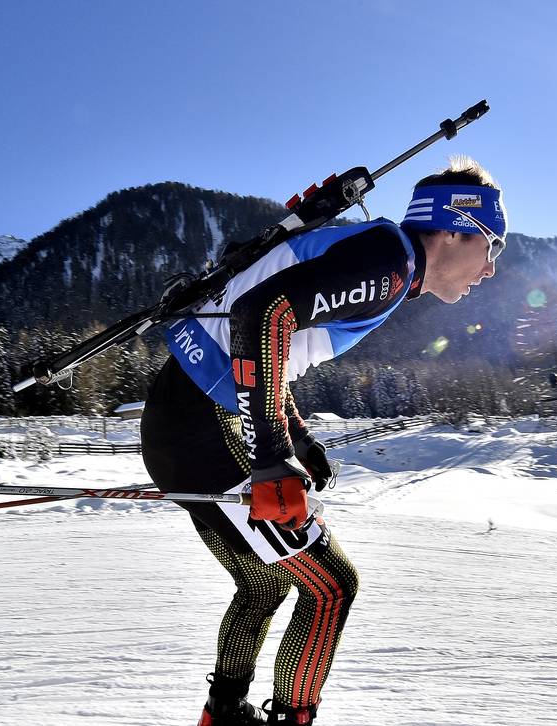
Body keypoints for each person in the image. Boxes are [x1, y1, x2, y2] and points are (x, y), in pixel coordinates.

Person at [141, 156, 507, 726]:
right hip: (206, 428)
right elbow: (261, 315)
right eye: (493, 246)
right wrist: (271, 456)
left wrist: (299, 437)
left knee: (264, 583)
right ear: (456, 229)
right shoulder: (388, 265)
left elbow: (269, 347)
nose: (489, 269)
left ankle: (225, 714)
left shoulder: (379, 254)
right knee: (332, 588)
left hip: (182, 419)